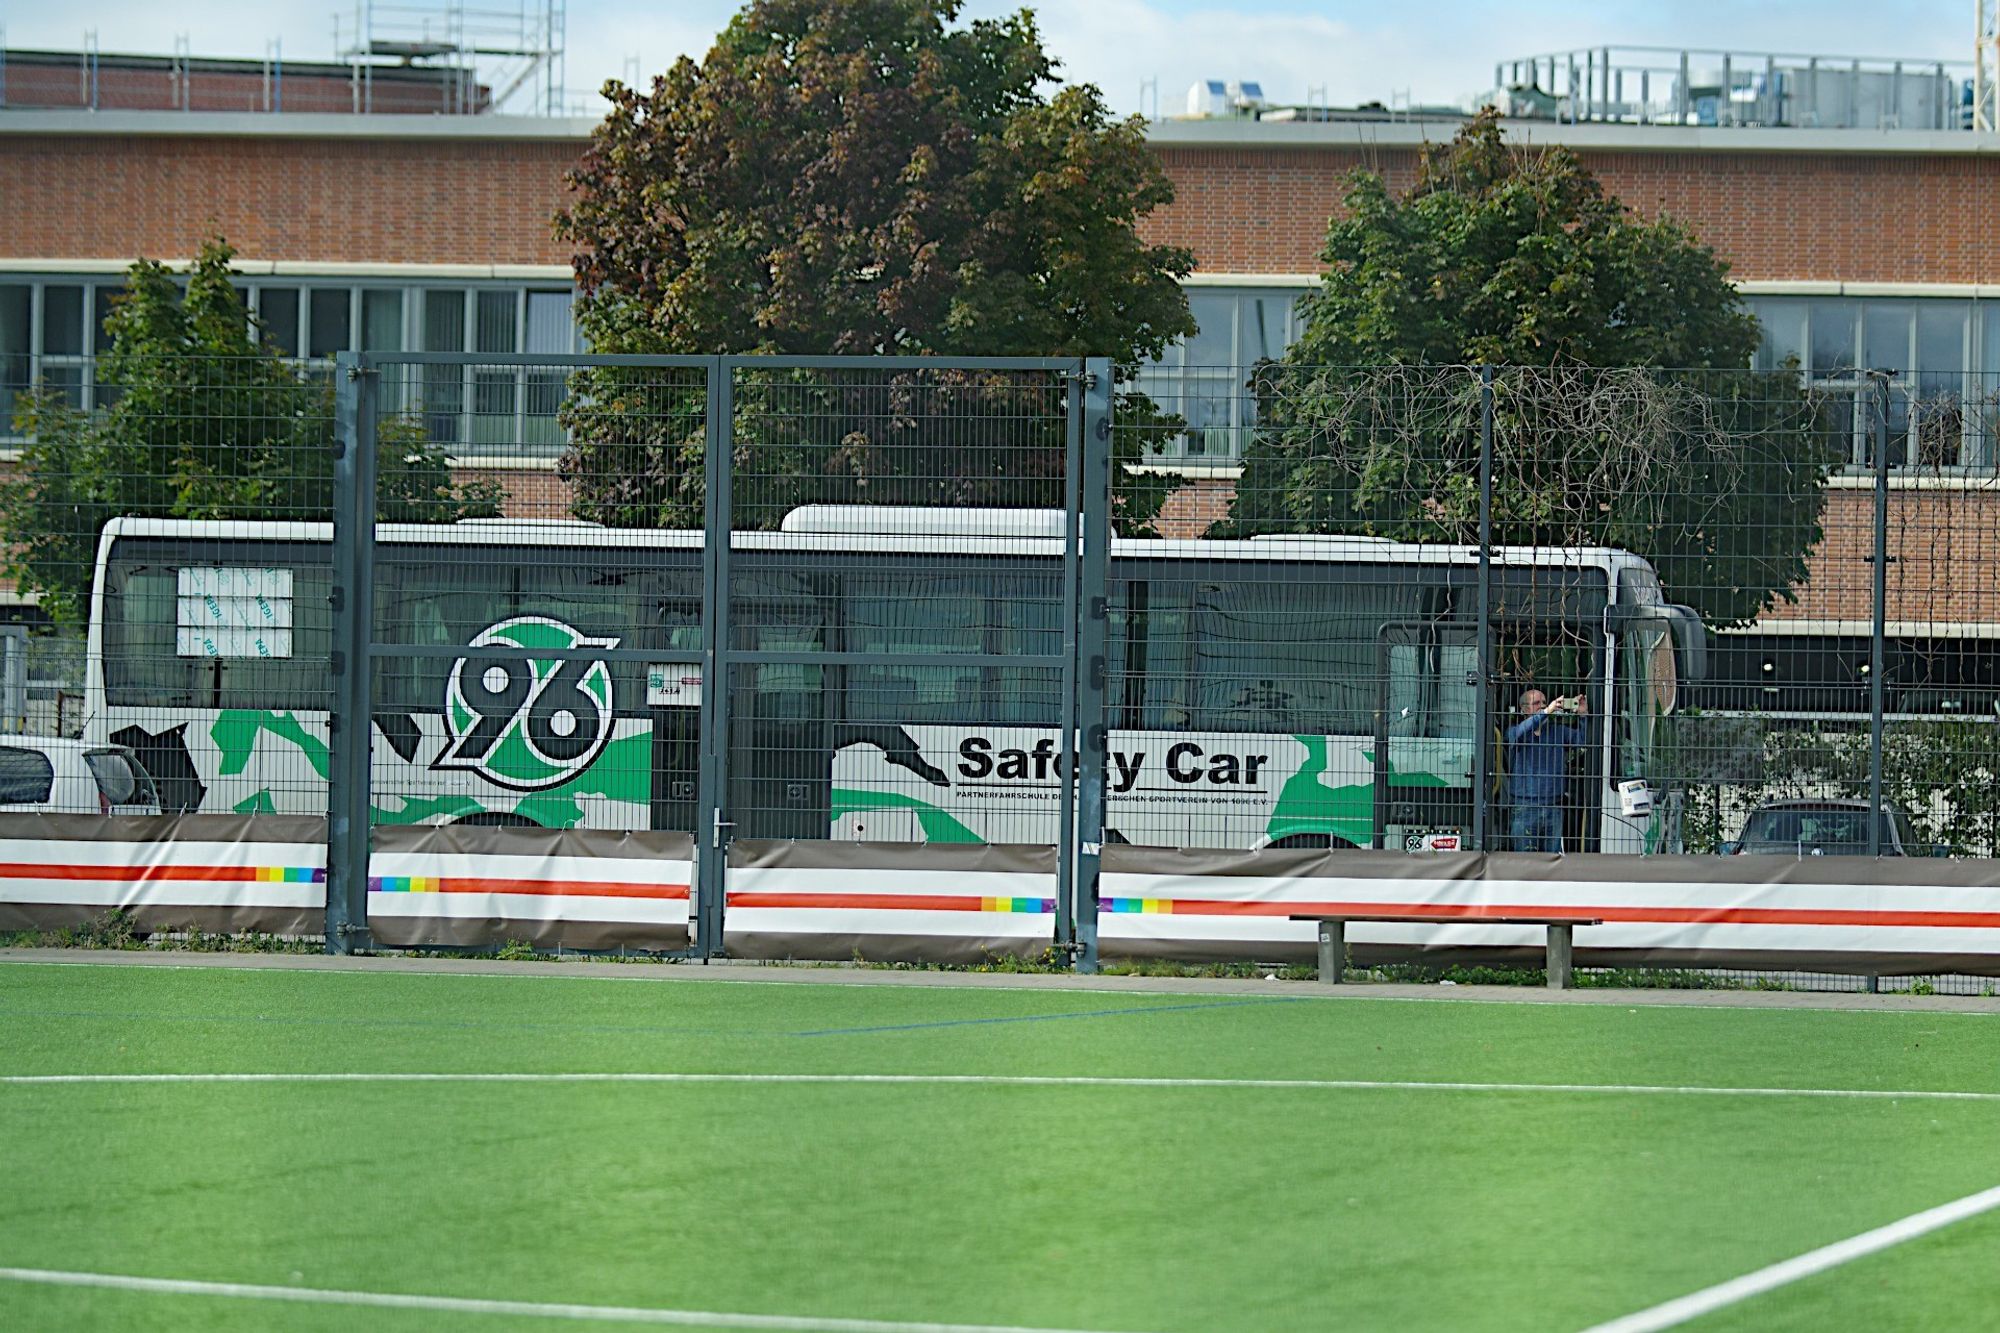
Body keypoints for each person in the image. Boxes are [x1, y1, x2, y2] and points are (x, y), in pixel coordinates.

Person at [1504, 687, 1588, 854]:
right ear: (1524, 709)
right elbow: (1520, 732)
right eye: (1537, 703)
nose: (1542, 706)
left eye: (1544, 702)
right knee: (1524, 860)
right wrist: (1547, 711)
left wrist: (1583, 715)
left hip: (1553, 805)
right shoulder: (1514, 731)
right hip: (1525, 806)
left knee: (1552, 860)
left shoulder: (1558, 731)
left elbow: (1583, 741)